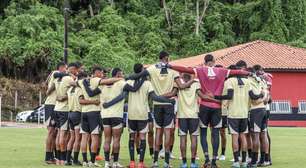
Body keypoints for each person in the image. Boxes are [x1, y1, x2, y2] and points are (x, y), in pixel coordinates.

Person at [169, 54, 249, 168]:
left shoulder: (200, 70)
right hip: (216, 107)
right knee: (215, 134)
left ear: (205, 62)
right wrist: (248, 73)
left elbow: (185, 70)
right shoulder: (221, 70)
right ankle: (214, 161)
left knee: (203, 133)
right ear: (213, 61)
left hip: (204, 106)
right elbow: (237, 72)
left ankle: (206, 160)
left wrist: (170, 66)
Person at [126, 51, 193, 168]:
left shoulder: (152, 68)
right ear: (166, 58)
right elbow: (181, 86)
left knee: (158, 133)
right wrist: (193, 80)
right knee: (167, 133)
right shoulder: (173, 70)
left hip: (157, 104)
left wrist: (125, 77)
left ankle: (155, 162)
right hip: (168, 105)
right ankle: (166, 163)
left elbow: (138, 76)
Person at [163, 73, 219, 168]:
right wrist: (216, 101)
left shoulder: (178, 84)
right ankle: (193, 163)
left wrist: (158, 96)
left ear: (182, 76)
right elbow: (203, 96)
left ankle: (184, 163)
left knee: (183, 139)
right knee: (194, 139)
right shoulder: (196, 83)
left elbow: (172, 94)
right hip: (194, 116)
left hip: (182, 115)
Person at [219, 71, 253, 168]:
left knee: (235, 137)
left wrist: (217, 97)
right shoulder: (247, 81)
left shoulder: (229, 81)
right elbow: (252, 96)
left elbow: (228, 96)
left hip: (233, 114)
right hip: (244, 113)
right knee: (243, 136)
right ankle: (244, 161)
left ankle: (236, 161)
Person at [53, 62, 78, 166]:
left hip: (56, 108)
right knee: (62, 135)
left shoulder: (57, 79)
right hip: (64, 109)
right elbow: (78, 85)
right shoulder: (68, 78)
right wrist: (73, 76)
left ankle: (58, 158)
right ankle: (63, 159)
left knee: (59, 134)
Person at [44, 62, 66, 164]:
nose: (66, 70)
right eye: (65, 68)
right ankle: (48, 157)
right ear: (61, 68)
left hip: (56, 106)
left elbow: (46, 84)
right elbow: (48, 87)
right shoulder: (56, 73)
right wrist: (50, 90)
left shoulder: (56, 75)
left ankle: (55, 156)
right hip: (51, 104)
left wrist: (49, 89)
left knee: (55, 132)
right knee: (51, 132)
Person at [248, 65, 270, 168]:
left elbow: (254, 100)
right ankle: (264, 160)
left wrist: (260, 99)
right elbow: (268, 95)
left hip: (255, 111)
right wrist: (264, 99)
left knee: (255, 136)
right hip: (264, 110)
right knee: (263, 135)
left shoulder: (249, 81)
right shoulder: (262, 80)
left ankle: (254, 161)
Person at [65, 71, 87, 165]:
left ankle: (67, 160)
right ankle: (75, 160)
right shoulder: (81, 89)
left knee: (72, 138)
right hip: (77, 114)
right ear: (82, 79)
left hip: (69, 114)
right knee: (78, 138)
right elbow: (82, 101)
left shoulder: (70, 89)